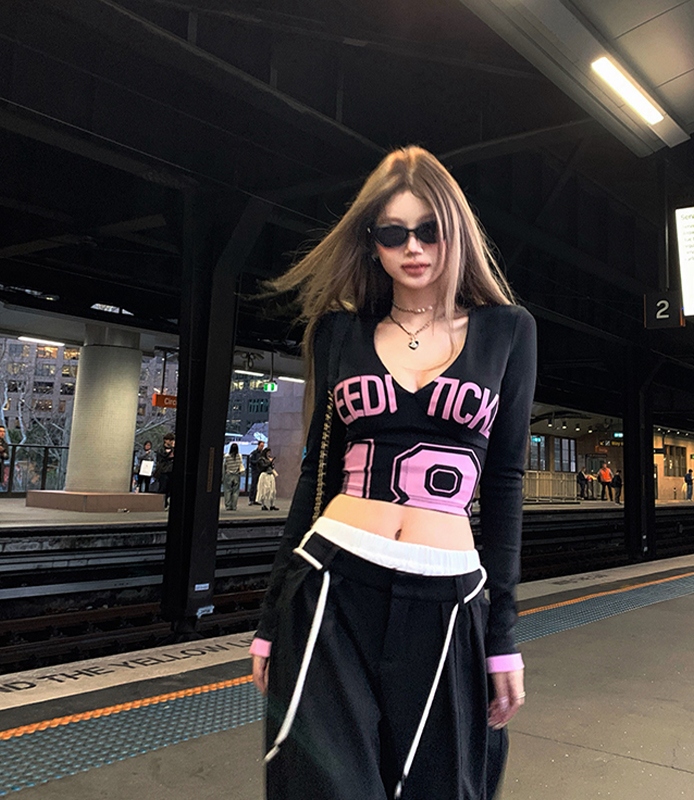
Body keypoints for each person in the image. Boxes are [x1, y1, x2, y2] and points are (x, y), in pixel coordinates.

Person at [249, 146, 536, 800]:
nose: (414, 247)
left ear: (456, 232)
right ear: (371, 242)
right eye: (393, 233)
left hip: (448, 595)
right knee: (323, 788)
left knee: (445, 786)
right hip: (330, 582)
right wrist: (269, 619)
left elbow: (505, 483)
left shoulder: (508, 332)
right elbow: (317, 480)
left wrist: (503, 637)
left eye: (429, 230)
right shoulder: (338, 333)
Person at [154, 433, 175, 509]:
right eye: (169, 440)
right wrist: (170, 452)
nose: (171, 442)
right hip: (163, 470)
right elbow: (164, 457)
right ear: (165, 440)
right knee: (163, 487)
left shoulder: (173, 449)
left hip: (171, 470)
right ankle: (162, 504)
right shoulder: (161, 449)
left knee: (170, 487)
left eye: (172, 440)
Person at [222, 442, 245, 510]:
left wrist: (223, 476)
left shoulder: (227, 457)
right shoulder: (239, 456)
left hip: (228, 475)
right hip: (236, 475)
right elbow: (240, 465)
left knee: (228, 491)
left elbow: (224, 466)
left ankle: (228, 506)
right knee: (235, 492)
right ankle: (234, 506)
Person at [248, 440, 266, 505]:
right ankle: (251, 499)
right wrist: (257, 461)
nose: (262, 447)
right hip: (255, 470)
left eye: (263, 446)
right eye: (261, 446)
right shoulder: (254, 453)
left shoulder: (263, 454)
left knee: (259, 485)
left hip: (260, 471)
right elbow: (251, 461)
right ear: (258, 446)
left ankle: (256, 499)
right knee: (254, 485)